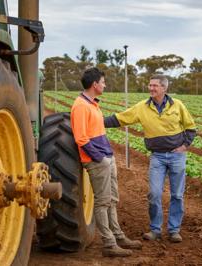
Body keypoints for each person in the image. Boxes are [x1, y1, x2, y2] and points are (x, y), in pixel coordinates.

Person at [104, 74, 196, 243]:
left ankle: (174, 230)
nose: (151, 88)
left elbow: (191, 128)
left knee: (177, 195)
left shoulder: (177, 105)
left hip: (177, 156)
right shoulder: (142, 107)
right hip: (157, 157)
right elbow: (121, 118)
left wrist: (184, 146)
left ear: (164, 88)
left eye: (155, 86)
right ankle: (155, 230)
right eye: (150, 85)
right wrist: (97, 121)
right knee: (154, 194)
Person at [71, 67, 142, 257]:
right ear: (94, 84)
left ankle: (118, 236)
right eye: (103, 82)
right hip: (97, 161)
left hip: (107, 158)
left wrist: (107, 157)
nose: (105, 85)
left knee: (112, 200)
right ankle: (109, 244)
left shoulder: (93, 104)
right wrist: (99, 158)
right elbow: (81, 138)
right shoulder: (80, 106)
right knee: (102, 202)